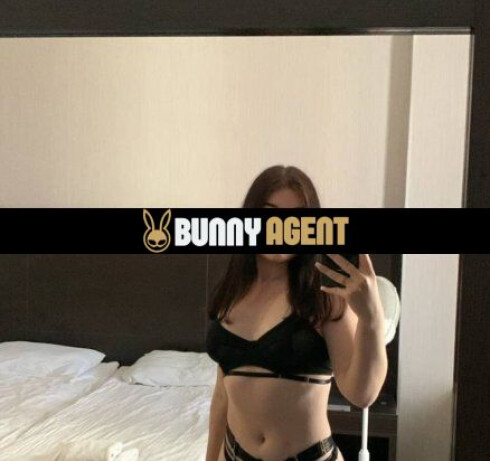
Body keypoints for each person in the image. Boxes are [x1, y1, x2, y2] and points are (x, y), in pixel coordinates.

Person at [205, 165, 388, 461]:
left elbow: (362, 394)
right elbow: (223, 394)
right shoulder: (232, 293)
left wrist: (372, 319)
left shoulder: (325, 296)